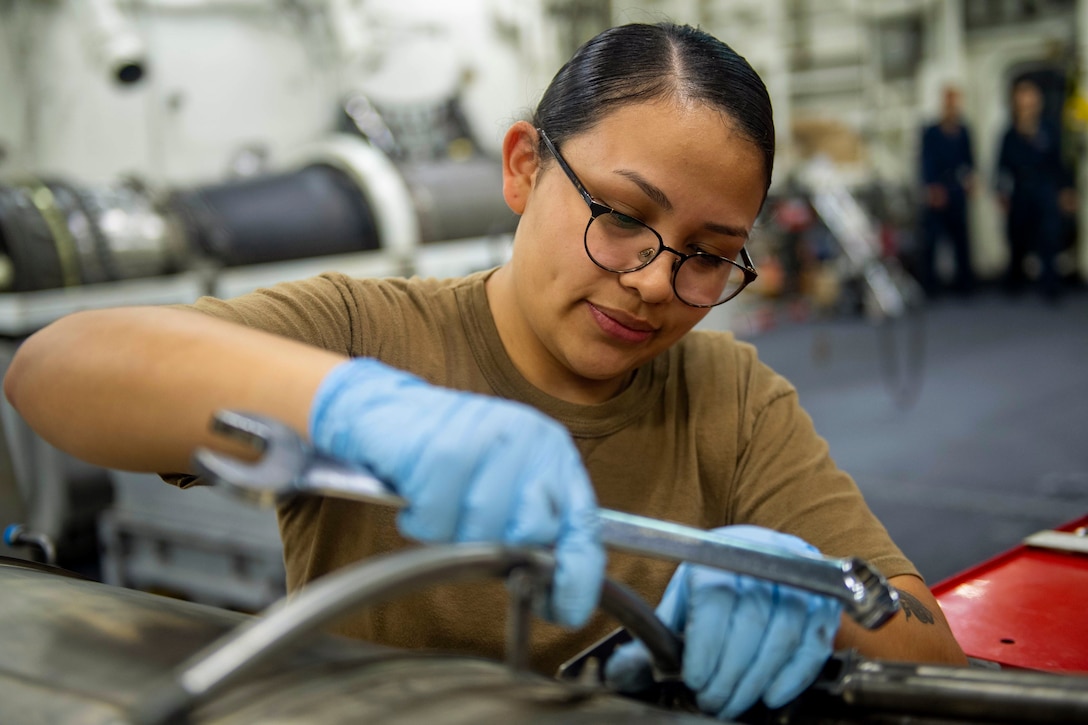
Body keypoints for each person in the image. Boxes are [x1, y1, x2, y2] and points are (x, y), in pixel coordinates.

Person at [3, 22, 966, 722]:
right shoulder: (367, 329)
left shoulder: (730, 397)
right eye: (624, 215)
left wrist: (820, 607)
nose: (651, 282)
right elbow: (58, 369)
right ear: (522, 168)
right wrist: (350, 404)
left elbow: (929, 647)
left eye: (708, 254)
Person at [995, 77, 1074, 302]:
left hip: (1045, 189)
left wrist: (1066, 190)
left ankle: (1050, 285)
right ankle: (1015, 282)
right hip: (1020, 191)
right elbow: (1002, 165)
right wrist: (1001, 191)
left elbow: (1061, 162)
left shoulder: (1049, 130)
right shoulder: (1010, 133)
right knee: (1017, 238)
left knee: (1049, 237)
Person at [919, 85, 976, 298]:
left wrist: (970, 180)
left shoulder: (963, 131)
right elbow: (925, 162)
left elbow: (969, 161)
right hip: (937, 190)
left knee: (961, 240)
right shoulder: (932, 132)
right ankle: (930, 286)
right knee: (932, 241)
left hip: (956, 190)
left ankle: (965, 284)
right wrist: (932, 188)